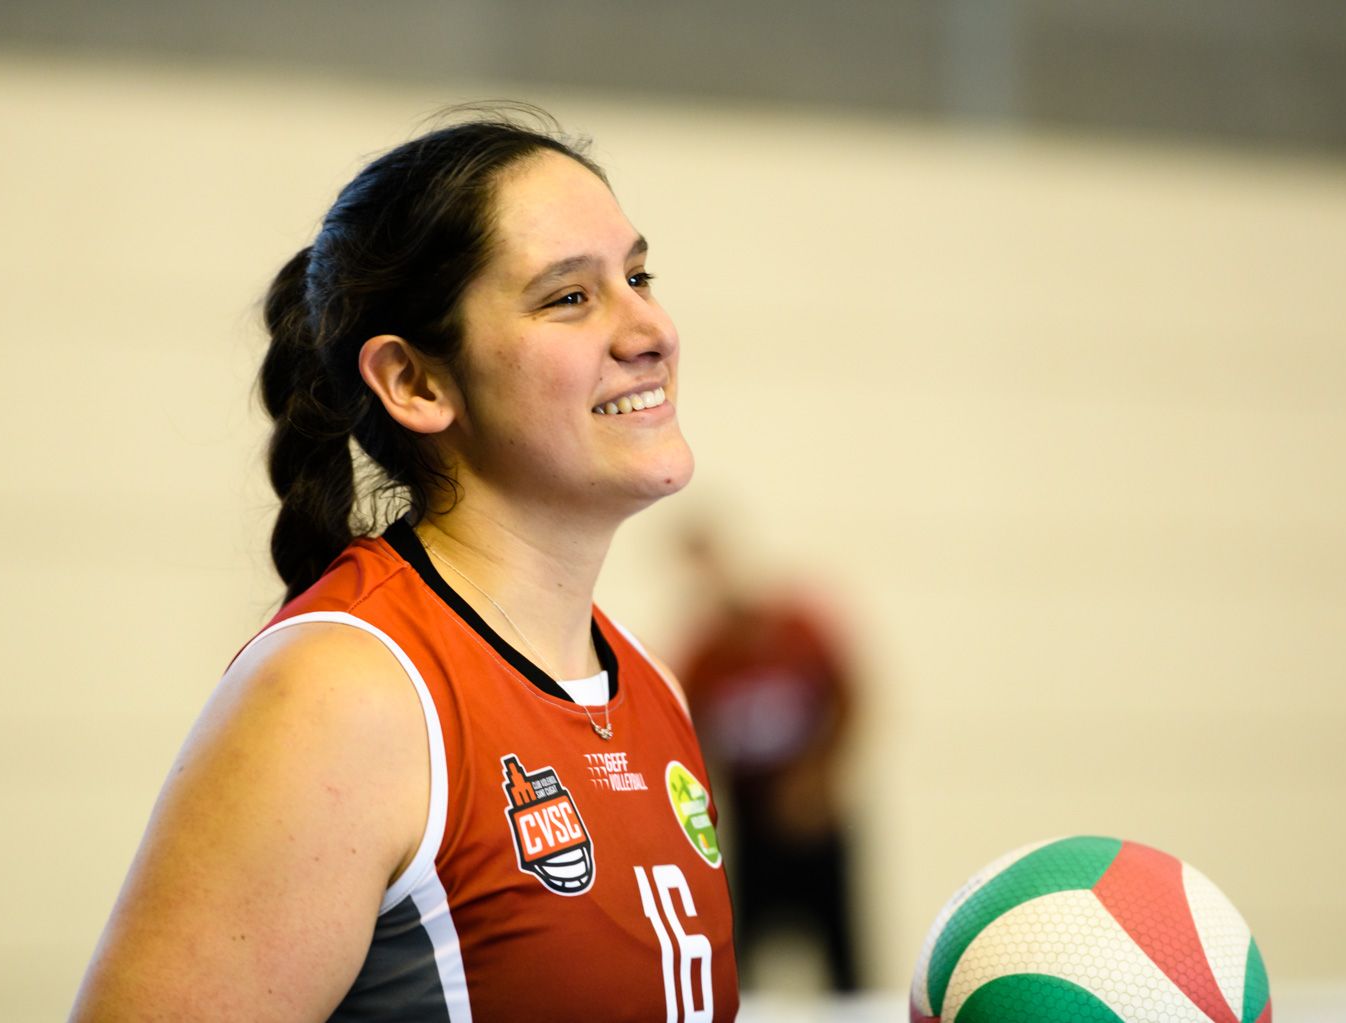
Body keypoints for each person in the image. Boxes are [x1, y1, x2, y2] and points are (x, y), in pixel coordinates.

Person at [72, 109, 739, 1022]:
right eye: (569, 297)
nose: (649, 328)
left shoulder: (649, 682)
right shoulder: (342, 692)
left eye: (636, 274)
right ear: (417, 382)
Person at [677, 523, 858, 993]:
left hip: (814, 818)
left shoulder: (800, 632)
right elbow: (685, 733)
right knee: (741, 955)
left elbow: (849, 700)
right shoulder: (705, 656)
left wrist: (817, 778)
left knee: (842, 953)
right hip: (752, 819)